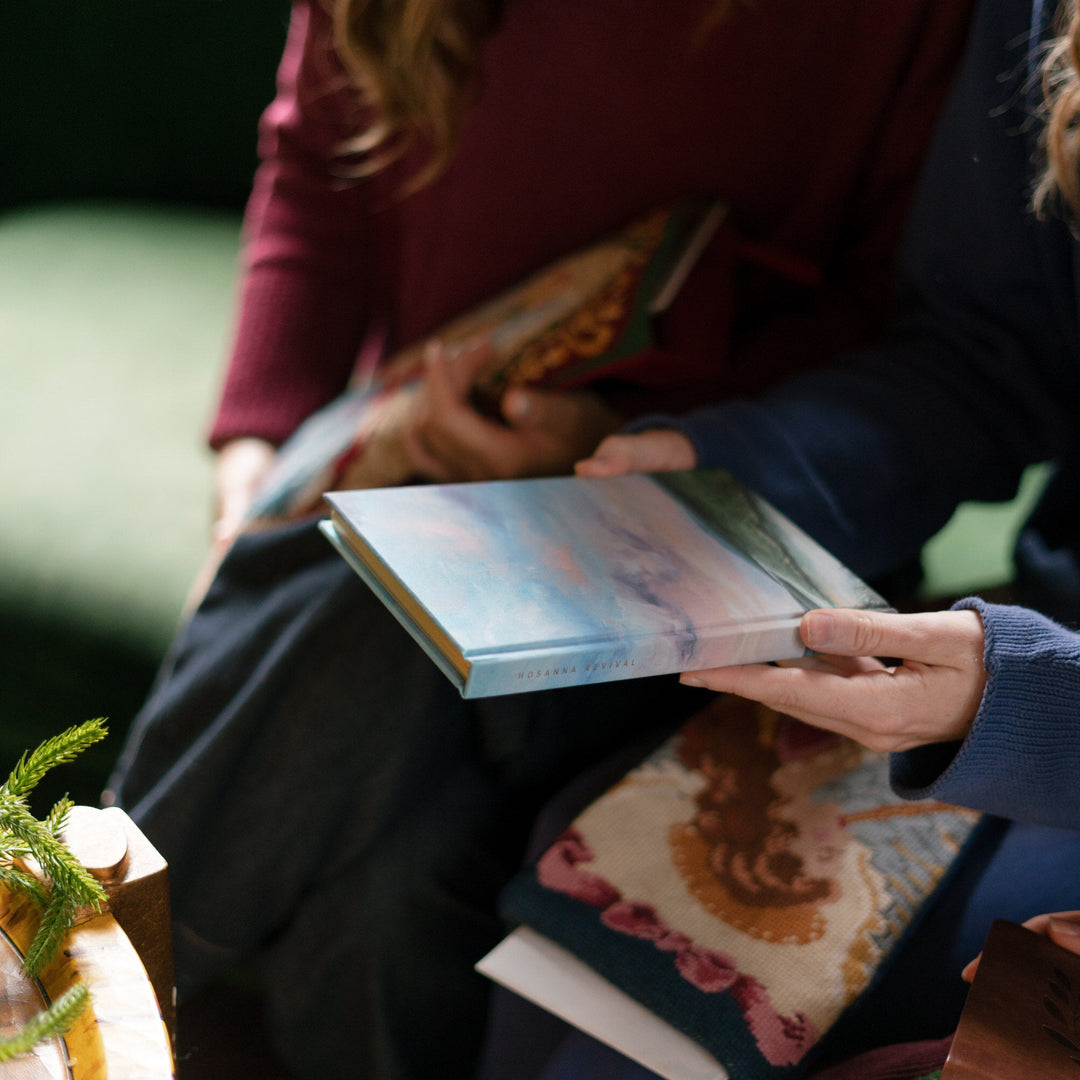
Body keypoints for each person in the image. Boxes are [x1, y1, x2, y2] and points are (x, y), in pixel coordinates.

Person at [102, 0, 976, 1077]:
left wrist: (629, 440)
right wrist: (251, 460)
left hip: (719, 525)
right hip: (409, 444)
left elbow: (924, 334)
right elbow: (317, 174)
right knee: (398, 869)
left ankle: (62, 975)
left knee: (370, 610)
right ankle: (71, 984)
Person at [488, 0, 1080, 1073]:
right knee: (591, 893)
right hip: (1030, 660)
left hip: (1044, 713)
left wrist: (1039, 706)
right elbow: (988, 350)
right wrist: (741, 470)